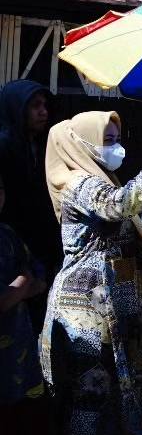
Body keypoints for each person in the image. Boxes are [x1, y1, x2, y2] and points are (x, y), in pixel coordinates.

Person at [41, 111, 142, 435]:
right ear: (80, 143)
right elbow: (118, 206)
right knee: (89, 391)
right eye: (107, 140)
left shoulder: (99, 178)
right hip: (85, 305)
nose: (115, 148)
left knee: (115, 386)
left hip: (114, 298)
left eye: (115, 139)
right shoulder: (75, 182)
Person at [0, 172, 116, 435]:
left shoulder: (6, 235)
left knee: (34, 434)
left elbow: (38, 276)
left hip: (19, 363)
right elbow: (21, 286)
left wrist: (21, 287)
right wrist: (21, 287)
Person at [0, 79, 60, 330]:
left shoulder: (43, 146)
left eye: (45, 105)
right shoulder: (4, 145)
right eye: (35, 106)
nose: (43, 112)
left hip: (39, 247)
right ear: (18, 107)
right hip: (9, 247)